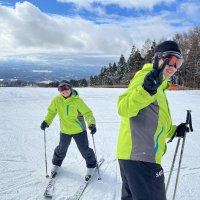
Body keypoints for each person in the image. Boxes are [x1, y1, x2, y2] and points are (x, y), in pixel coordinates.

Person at [117, 41, 189, 200]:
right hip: (141, 157)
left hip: (134, 157)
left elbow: (154, 122)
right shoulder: (146, 77)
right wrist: (145, 90)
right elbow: (124, 108)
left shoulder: (160, 85)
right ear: (157, 58)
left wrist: (174, 130)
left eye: (178, 62)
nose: (173, 66)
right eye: (170, 59)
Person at [40, 80, 97, 179]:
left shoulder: (77, 100)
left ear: (70, 88)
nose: (64, 91)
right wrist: (46, 121)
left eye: (66, 88)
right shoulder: (57, 100)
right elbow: (51, 112)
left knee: (84, 149)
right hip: (65, 130)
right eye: (61, 89)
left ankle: (92, 164)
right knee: (61, 149)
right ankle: (56, 163)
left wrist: (92, 124)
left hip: (79, 130)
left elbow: (87, 113)